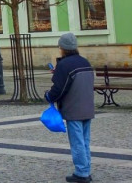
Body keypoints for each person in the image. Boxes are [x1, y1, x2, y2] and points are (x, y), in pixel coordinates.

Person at [45, 32, 95, 183]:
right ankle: (86, 169)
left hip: (74, 108)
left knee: (77, 142)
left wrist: (49, 96)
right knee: (85, 140)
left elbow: (60, 88)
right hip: (88, 107)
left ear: (62, 48)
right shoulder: (84, 62)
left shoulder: (64, 65)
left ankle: (82, 172)